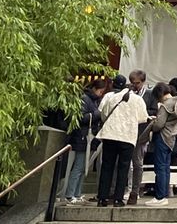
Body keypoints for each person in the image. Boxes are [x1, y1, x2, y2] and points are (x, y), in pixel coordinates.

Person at [96, 77, 148, 207]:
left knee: (107, 166)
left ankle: (103, 198)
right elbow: (143, 118)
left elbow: (104, 114)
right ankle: (118, 199)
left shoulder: (112, 97)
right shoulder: (138, 100)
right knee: (123, 167)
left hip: (110, 134)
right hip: (127, 136)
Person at [142, 80, 177, 207]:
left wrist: (154, 123)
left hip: (162, 137)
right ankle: (163, 195)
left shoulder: (165, 105)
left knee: (160, 167)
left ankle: (159, 196)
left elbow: (159, 125)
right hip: (171, 138)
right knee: (165, 168)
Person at [64, 79, 106, 204]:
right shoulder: (85, 99)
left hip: (87, 137)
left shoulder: (92, 100)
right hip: (82, 136)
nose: (101, 94)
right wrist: (96, 114)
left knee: (82, 167)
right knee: (79, 166)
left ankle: (77, 192)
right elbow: (81, 117)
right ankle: (70, 194)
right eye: (100, 91)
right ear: (94, 88)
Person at [127, 69, 152, 205]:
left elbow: (154, 111)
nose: (135, 85)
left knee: (137, 163)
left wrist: (144, 114)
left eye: (137, 83)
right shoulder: (127, 94)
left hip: (141, 132)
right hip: (127, 131)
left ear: (143, 82)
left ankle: (135, 190)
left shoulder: (149, 95)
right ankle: (126, 188)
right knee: (126, 163)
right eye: (132, 82)